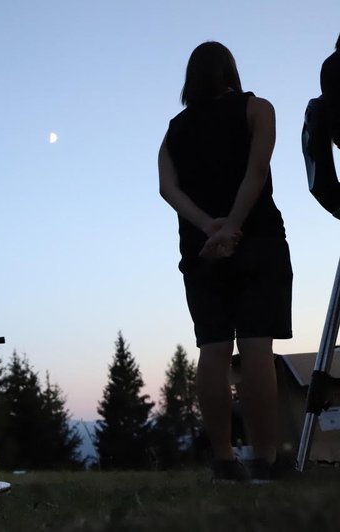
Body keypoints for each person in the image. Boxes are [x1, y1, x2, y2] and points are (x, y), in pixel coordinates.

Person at [158, 42, 292, 483]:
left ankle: (223, 459)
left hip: (201, 251)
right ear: (230, 71)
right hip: (258, 242)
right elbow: (257, 171)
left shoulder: (174, 130)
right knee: (256, 346)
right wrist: (233, 227)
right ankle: (267, 460)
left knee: (212, 350)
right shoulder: (259, 109)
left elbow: (168, 189)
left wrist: (209, 228)